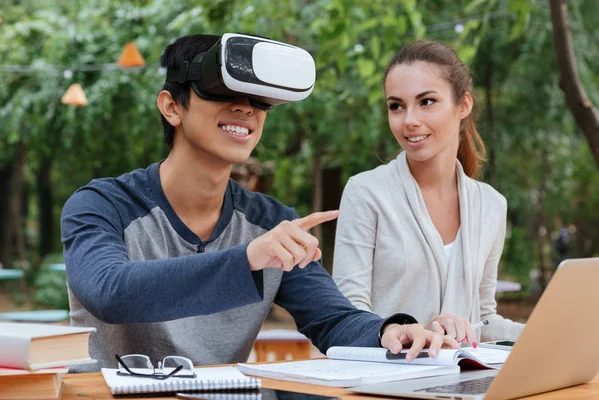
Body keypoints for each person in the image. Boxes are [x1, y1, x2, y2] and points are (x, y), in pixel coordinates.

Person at [61, 34, 459, 373]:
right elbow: (110, 292)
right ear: (171, 106)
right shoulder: (100, 205)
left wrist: (388, 331)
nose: (245, 107)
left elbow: (332, 319)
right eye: (221, 91)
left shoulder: (271, 223)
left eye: (260, 98)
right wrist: (246, 260)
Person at [332, 40, 524, 345]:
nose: (409, 120)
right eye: (396, 106)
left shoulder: (491, 205)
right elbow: (345, 317)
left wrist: (545, 333)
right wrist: (409, 332)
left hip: (464, 386)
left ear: (463, 105)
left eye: (427, 102)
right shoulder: (365, 193)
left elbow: (483, 319)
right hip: (386, 382)